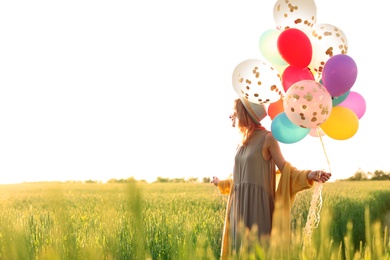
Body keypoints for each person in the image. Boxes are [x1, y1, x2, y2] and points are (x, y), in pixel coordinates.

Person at [211, 97, 331, 258]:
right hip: (237, 206)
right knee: (238, 251)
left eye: (234, 113)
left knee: (259, 250)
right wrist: (220, 183)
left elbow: (286, 170)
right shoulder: (241, 143)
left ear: (245, 115)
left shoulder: (268, 138)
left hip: (258, 206)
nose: (231, 117)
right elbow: (241, 180)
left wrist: (309, 174)